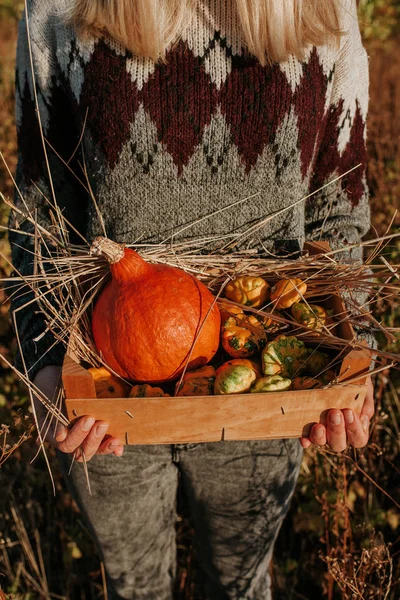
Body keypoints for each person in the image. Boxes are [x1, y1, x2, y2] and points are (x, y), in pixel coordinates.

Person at [10, 0, 374, 598]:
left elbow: (339, 208)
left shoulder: (325, 7)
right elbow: (39, 204)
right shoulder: (57, 7)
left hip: (262, 387)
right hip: (108, 391)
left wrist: (350, 353)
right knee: (134, 585)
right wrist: (47, 358)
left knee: (241, 583)